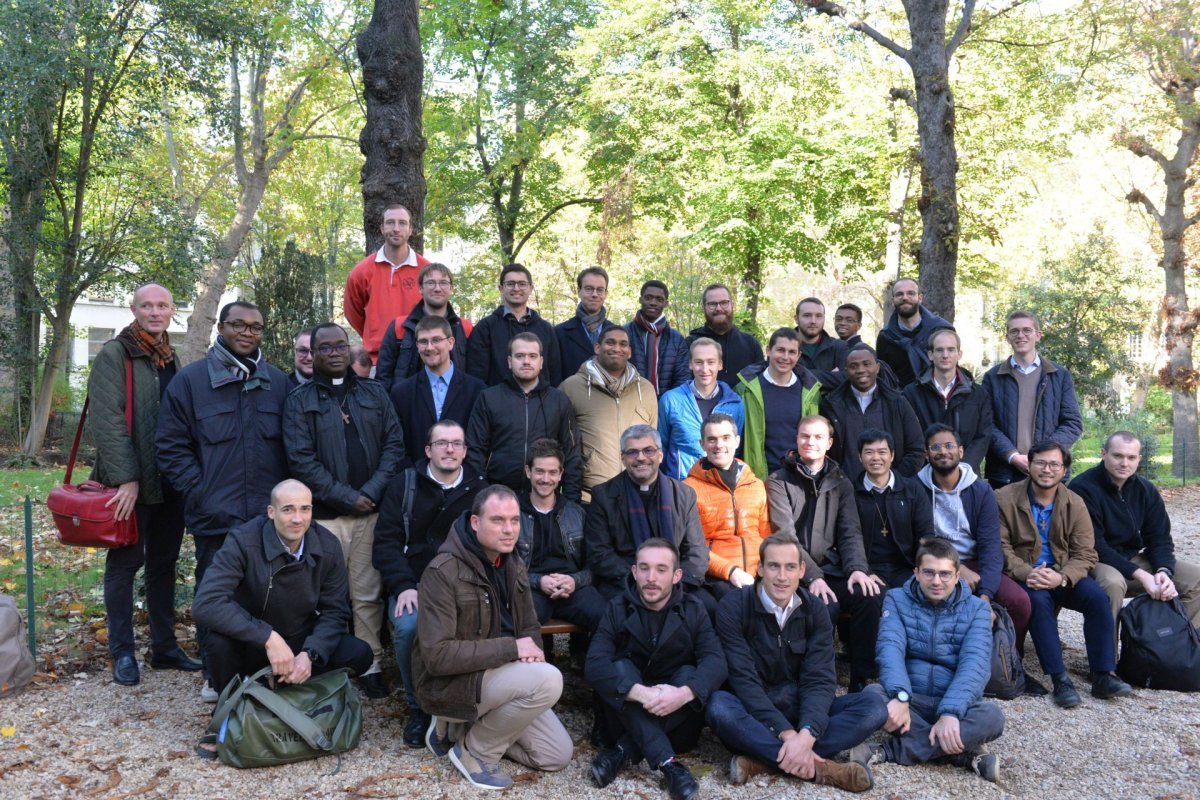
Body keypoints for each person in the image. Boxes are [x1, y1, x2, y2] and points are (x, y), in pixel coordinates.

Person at [157, 299, 290, 701]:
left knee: (269, 594)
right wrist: (201, 490)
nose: (248, 332)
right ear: (221, 327)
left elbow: (294, 447)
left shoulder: (278, 382)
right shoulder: (191, 381)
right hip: (217, 518)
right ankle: (216, 678)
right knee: (217, 596)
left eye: (256, 326)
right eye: (239, 325)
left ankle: (262, 671)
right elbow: (169, 446)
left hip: (270, 519)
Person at [413, 486, 574, 789]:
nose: (509, 529)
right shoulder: (442, 571)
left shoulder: (513, 563)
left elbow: (528, 628)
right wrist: (512, 648)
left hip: (498, 675)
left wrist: (530, 652)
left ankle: (463, 728)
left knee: (556, 755)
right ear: (475, 522)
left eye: (514, 520)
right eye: (498, 520)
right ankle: (474, 752)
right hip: (450, 682)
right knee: (549, 680)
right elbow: (437, 657)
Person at [283, 322, 407, 698]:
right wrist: (344, 496)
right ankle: (319, 662)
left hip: (370, 515)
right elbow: (300, 461)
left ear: (350, 350)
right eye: (325, 348)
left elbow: (394, 446)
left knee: (367, 595)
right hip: (324, 517)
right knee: (322, 598)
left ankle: (369, 664)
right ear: (313, 354)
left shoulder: (374, 393)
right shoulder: (298, 401)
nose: (334, 353)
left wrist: (369, 492)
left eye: (340, 346)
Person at [705, 533, 885, 792]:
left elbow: (820, 679)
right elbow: (743, 680)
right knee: (718, 707)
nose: (782, 576)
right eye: (774, 566)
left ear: (801, 570)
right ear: (759, 568)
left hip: (800, 707)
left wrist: (807, 733)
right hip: (756, 714)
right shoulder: (733, 606)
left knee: (874, 706)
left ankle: (763, 762)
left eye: (790, 567)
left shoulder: (815, 609)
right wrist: (787, 734)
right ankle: (821, 769)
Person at [89, 283, 199, 686]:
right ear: (133, 308)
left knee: (163, 565)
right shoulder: (115, 354)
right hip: (129, 486)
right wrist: (126, 478)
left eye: (162, 305)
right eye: (146, 305)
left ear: (172, 310)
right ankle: (122, 653)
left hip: (169, 483)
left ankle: (165, 649)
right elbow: (108, 421)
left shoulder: (170, 357)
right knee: (124, 566)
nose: (155, 312)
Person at [191, 480, 372, 708]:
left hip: (299, 637)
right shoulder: (242, 541)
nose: (297, 519)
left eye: (304, 509)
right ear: (271, 512)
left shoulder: (328, 545)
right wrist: (267, 637)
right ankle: (230, 711)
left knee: (359, 653)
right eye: (288, 509)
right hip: (252, 638)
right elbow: (206, 603)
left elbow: (335, 612)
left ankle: (294, 689)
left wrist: (310, 653)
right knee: (217, 641)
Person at [850, 538, 1004, 784]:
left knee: (993, 716)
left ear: (956, 576)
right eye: (929, 572)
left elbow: (974, 666)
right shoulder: (896, 599)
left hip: (955, 701)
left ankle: (888, 751)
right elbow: (890, 650)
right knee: (872, 696)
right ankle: (961, 755)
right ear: (917, 572)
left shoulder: (977, 610)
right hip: (911, 701)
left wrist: (951, 713)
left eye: (945, 574)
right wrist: (901, 696)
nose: (936, 581)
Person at [373, 419, 487, 747]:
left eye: (456, 443)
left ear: (465, 451)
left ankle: (462, 704)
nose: (449, 449)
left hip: (464, 584)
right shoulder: (404, 485)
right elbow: (386, 543)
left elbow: (491, 546)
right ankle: (418, 708)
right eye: (441, 443)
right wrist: (404, 584)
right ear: (428, 450)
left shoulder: (481, 490)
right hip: (415, 582)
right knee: (409, 627)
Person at [585, 538, 727, 800]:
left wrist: (683, 694)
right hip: (627, 712)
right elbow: (594, 664)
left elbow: (716, 661)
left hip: (678, 721)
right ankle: (669, 764)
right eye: (645, 568)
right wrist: (639, 693)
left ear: (676, 575)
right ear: (634, 571)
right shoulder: (617, 608)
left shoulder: (695, 609)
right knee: (620, 666)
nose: (651, 577)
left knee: (687, 673)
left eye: (661, 569)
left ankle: (622, 753)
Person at [994, 441, 1133, 707]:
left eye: (1054, 464)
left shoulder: (1074, 503)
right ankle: (1060, 679)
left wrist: (1062, 577)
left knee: (1096, 597)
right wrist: (1026, 573)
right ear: (1030, 466)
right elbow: (1000, 547)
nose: (1047, 469)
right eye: (1041, 463)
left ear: (1064, 470)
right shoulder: (1004, 497)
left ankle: (1103, 674)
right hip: (1026, 575)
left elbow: (1086, 553)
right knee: (1038, 602)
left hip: (1062, 574)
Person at [765, 416, 878, 690]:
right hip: (795, 571)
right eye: (805, 436)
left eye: (817, 437)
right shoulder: (778, 481)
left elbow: (850, 532)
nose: (810, 442)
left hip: (833, 567)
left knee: (869, 595)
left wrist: (857, 570)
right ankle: (819, 680)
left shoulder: (842, 483)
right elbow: (786, 537)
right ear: (797, 440)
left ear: (829, 443)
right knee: (824, 606)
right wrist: (812, 576)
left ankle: (860, 679)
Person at [916, 424, 1032, 654]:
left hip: (976, 563)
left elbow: (990, 545)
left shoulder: (980, 490)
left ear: (961, 451)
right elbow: (921, 538)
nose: (943, 451)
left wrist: (985, 595)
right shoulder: (916, 488)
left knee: (1019, 601)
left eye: (949, 445)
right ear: (926, 454)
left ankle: (1010, 659)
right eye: (935, 447)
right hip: (934, 564)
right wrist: (956, 568)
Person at [1070, 431, 1200, 627]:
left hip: (1130, 559)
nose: (1124, 463)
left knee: (1195, 580)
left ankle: (1177, 649)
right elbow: (1094, 545)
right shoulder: (1082, 488)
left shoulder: (1145, 490)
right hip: (1093, 561)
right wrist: (1141, 575)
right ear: (1103, 454)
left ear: (1139, 459)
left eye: (1131, 457)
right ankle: (1107, 656)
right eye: (1118, 456)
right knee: (1113, 584)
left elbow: (1159, 539)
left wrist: (1164, 570)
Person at [584, 425, 709, 602]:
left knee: (707, 607)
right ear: (623, 458)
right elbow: (600, 553)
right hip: (625, 582)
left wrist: (675, 583)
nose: (641, 458)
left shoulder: (684, 494)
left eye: (648, 450)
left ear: (660, 455)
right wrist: (644, 581)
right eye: (632, 452)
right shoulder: (603, 496)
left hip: (676, 583)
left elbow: (696, 551)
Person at [466, 332, 582, 501]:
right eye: (519, 356)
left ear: (541, 362)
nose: (526, 361)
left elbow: (572, 454)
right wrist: (483, 493)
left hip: (545, 499)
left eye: (532, 356)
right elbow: (474, 450)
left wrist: (571, 501)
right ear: (509, 361)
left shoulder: (559, 401)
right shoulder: (489, 398)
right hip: (497, 496)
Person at [981, 310, 1083, 489]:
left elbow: (1072, 423)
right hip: (1005, 474)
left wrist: (1042, 457)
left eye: (1027, 330)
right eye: (1014, 331)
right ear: (1008, 337)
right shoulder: (993, 377)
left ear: (1038, 335)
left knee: (1050, 519)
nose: (1020, 335)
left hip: (1050, 473)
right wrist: (1012, 455)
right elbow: (985, 424)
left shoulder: (1059, 376)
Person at [518, 438, 607, 633]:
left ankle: (582, 660)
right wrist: (538, 581)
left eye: (552, 472)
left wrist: (575, 581)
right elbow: (505, 567)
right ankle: (538, 661)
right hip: (531, 588)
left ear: (561, 475)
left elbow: (595, 564)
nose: (545, 479)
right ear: (528, 472)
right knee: (522, 621)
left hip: (573, 587)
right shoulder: (513, 514)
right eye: (539, 471)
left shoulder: (577, 513)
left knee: (606, 617)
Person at [561, 325, 658, 499]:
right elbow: (563, 443)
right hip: (591, 496)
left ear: (629, 351)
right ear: (597, 347)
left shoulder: (646, 389)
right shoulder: (571, 387)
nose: (617, 349)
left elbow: (653, 442)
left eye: (623, 344)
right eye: (610, 343)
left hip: (637, 494)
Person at [684, 413, 772, 604]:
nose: (719, 445)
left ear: (737, 441)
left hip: (759, 571)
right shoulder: (689, 489)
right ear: (702, 444)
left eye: (725, 438)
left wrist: (768, 569)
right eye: (712, 439)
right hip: (718, 576)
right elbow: (693, 546)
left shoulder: (755, 485)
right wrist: (730, 571)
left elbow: (766, 535)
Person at [390, 316, 485, 465]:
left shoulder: (476, 390)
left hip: (465, 481)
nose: (429, 347)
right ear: (417, 345)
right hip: (417, 480)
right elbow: (397, 445)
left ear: (451, 343)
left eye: (436, 340)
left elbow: (480, 443)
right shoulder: (402, 393)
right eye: (423, 341)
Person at [819, 344, 924, 481]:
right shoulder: (831, 405)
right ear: (846, 371)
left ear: (877, 367)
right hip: (845, 491)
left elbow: (916, 450)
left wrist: (895, 481)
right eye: (854, 366)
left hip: (889, 493)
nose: (861, 370)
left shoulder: (897, 402)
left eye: (866, 364)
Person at [344, 204, 431, 363]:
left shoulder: (426, 271)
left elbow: (436, 312)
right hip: (377, 361)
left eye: (402, 223)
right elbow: (353, 313)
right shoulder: (361, 271)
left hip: (417, 359)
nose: (396, 228)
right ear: (382, 228)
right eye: (390, 222)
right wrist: (373, 335)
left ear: (410, 229)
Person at [902, 327, 993, 473]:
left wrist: (962, 468)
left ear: (959, 354)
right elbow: (909, 436)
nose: (945, 355)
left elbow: (983, 436)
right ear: (930, 355)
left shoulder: (978, 394)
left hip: (965, 475)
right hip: (924, 475)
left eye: (951, 350)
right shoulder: (911, 394)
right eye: (939, 350)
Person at [736, 328, 822, 479]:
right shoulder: (745, 390)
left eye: (791, 352)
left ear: (799, 355)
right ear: (768, 350)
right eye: (780, 350)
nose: (785, 357)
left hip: (800, 477)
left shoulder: (810, 391)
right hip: (759, 478)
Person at [374, 262, 473, 391]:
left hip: (455, 403)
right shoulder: (400, 327)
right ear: (420, 288)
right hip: (406, 404)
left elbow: (474, 374)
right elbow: (383, 377)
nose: (437, 288)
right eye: (431, 283)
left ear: (451, 289)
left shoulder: (465, 329)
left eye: (443, 283)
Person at [657, 337, 744, 480]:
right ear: (690, 364)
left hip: (719, 488)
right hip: (681, 488)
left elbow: (735, 449)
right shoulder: (671, 400)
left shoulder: (735, 404)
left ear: (720, 364)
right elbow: (661, 448)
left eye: (711, 362)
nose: (704, 369)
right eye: (698, 362)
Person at [466, 263, 562, 386]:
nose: (516, 288)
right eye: (510, 284)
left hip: (540, 402)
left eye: (522, 284)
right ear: (501, 288)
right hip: (497, 402)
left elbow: (554, 372)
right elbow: (476, 374)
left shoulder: (545, 329)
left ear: (531, 288)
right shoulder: (485, 328)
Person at [874, 278, 951, 387]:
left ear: (920, 298)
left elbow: (952, 370)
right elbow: (883, 378)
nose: (905, 298)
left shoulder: (941, 331)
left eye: (910, 293)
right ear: (893, 300)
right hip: (900, 400)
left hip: (937, 398)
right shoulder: (886, 337)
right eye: (899, 294)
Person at [686, 283, 763, 387]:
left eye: (724, 303)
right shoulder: (689, 344)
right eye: (712, 304)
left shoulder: (751, 344)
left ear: (732, 305)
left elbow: (760, 385)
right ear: (704, 308)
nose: (718, 308)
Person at [626, 280, 689, 395]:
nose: (653, 303)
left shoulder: (676, 339)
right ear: (641, 300)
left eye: (659, 299)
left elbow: (682, 377)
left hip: (666, 405)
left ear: (666, 303)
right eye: (648, 298)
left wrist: (668, 403)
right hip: (631, 403)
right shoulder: (625, 333)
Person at [555, 266, 611, 380]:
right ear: (579, 291)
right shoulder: (559, 333)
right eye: (589, 289)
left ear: (606, 293)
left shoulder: (616, 333)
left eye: (600, 290)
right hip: (571, 396)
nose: (594, 294)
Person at [794, 297, 848, 386]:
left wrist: (800, 374)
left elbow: (845, 379)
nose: (813, 321)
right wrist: (830, 376)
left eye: (819, 316)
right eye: (807, 315)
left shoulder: (839, 347)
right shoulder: (783, 347)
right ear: (796, 319)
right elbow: (779, 377)